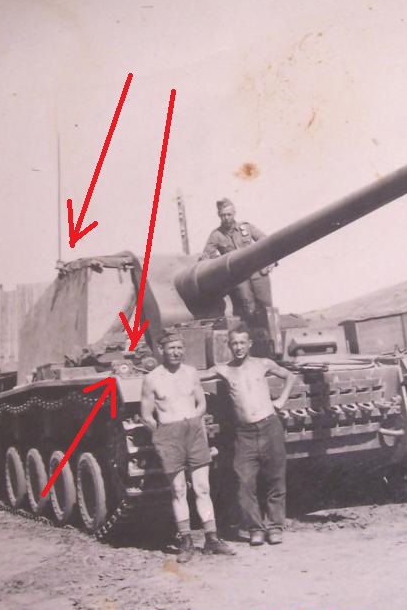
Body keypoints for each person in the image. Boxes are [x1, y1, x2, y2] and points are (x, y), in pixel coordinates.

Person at [140, 328, 235, 563]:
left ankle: (212, 538)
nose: (176, 352)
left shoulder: (191, 373)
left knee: (202, 487)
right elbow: (146, 415)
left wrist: (194, 420)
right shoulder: (152, 379)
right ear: (161, 350)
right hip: (169, 435)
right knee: (179, 489)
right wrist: (160, 434)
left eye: (180, 348)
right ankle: (186, 541)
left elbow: (201, 403)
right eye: (171, 348)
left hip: (193, 431)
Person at [201, 323, 295, 546]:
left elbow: (289, 376)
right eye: (234, 343)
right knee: (244, 482)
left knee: (275, 478)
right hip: (244, 433)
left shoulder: (263, 364)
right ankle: (255, 528)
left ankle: (275, 527)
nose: (239, 347)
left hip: (270, 426)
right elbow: (196, 375)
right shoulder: (223, 369)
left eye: (242, 343)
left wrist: (281, 400)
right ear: (229, 345)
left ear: (249, 344)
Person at [200, 198, 274, 324]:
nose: (226, 218)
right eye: (223, 215)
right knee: (247, 307)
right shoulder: (216, 235)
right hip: (238, 277)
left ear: (234, 213)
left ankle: (270, 332)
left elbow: (266, 242)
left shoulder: (246, 228)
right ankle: (251, 333)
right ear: (219, 215)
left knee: (266, 306)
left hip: (257, 273)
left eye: (229, 214)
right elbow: (206, 257)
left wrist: (270, 261)